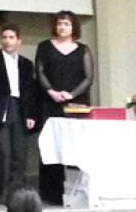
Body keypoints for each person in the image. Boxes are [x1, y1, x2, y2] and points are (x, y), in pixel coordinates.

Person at [35, 11, 94, 205]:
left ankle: (75, 193)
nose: (62, 27)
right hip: (50, 102)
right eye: (60, 23)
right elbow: (40, 71)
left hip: (76, 104)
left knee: (75, 146)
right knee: (51, 146)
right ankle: (50, 193)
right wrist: (51, 91)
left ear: (73, 27)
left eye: (66, 24)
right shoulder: (45, 46)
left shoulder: (83, 50)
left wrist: (72, 94)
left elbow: (88, 77)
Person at [0, 23, 38, 205]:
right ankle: (4, 193)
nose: (7, 41)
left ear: (19, 40)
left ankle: (18, 194)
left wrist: (30, 115)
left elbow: (30, 92)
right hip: (0, 109)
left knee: (19, 154)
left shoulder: (26, 64)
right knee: (3, 153)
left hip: (19, 108)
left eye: (11, 37)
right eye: (4, 37)